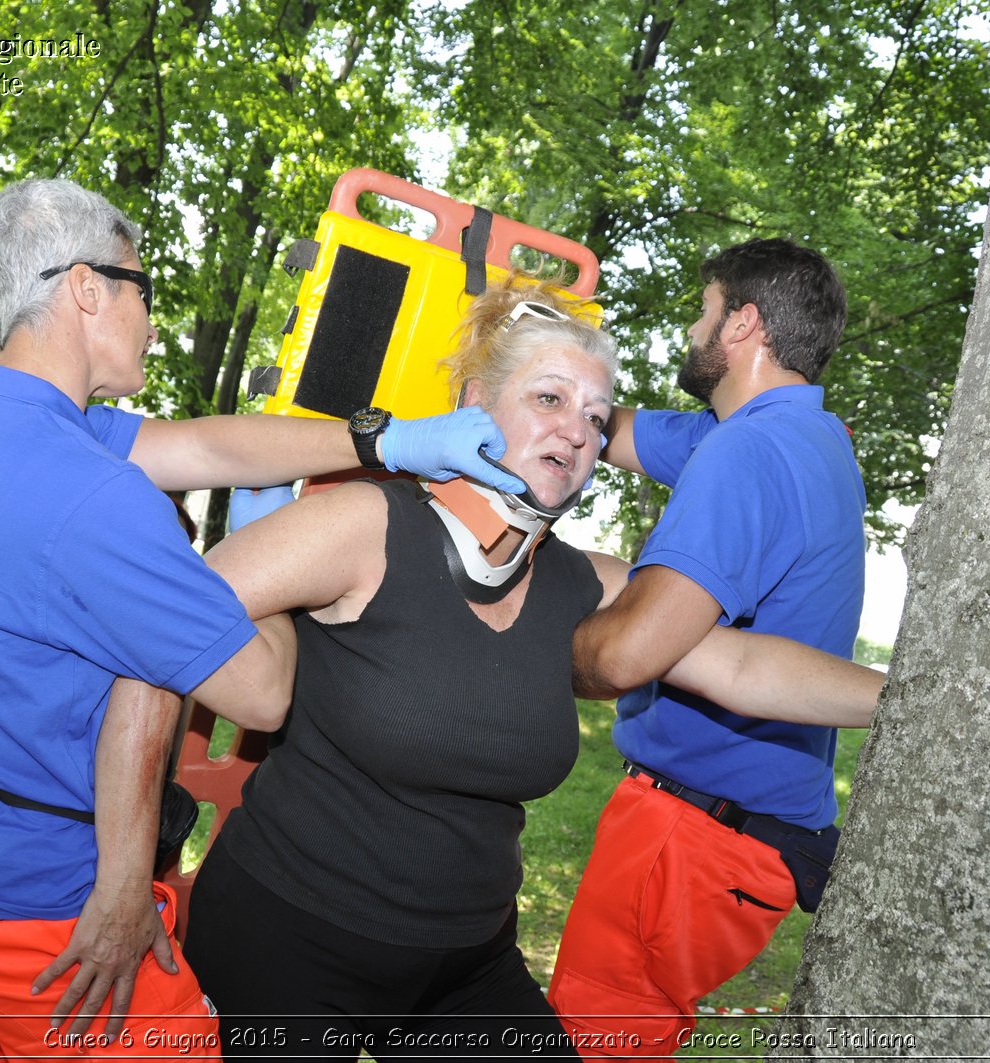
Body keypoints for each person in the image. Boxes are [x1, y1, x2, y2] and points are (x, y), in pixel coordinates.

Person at [0, 177, 528, 1060]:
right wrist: (276, 553)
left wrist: (384, 439)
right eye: (142, 289)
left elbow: (203, 445)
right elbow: (262, 692)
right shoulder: (94, 497)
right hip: (34, 915)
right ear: (87, 289)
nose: (152, 317)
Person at [175, 275, 880, 1060]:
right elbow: (153, 611)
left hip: (464, 964)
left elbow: (743, 665)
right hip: (287, 938)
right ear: (475, 403)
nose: (578, 432)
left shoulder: (586, 582)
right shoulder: (363, 524)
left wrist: (912, 700)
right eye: (549, 399)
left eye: (594, 416)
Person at [548, 237, 868, 1055]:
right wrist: (537, 380)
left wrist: (519, 635)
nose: (694, 326)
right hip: (738, 843)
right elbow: (606, 429)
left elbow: (623, 656)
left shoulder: (747, 450)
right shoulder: (805, 437)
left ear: (743, 324)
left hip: (688, 843)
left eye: (705, 308)